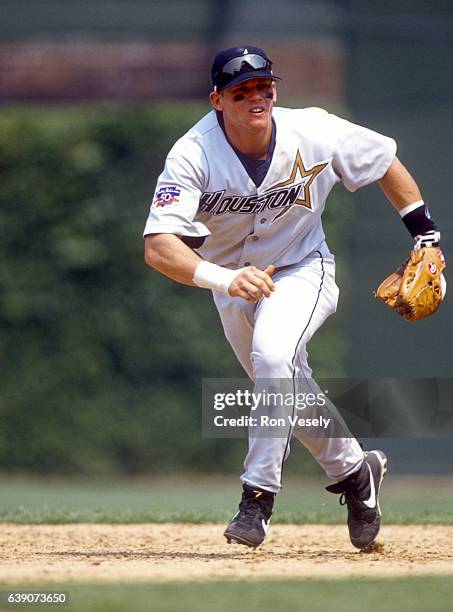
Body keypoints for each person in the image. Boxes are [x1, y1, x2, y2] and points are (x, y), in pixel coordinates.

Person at [143, 46, 442, 550]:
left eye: (265, 87)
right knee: (284, 386)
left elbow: (383, 160)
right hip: (234, 283)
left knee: (274, 355)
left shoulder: (314, 129)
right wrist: (222, 279)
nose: (257, 97)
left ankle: (256, 497)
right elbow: (158, 248)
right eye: (242, 91)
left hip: (304, 268)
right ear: (218, 100)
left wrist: (426, 237)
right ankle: (355, 471)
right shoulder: (192, 154)